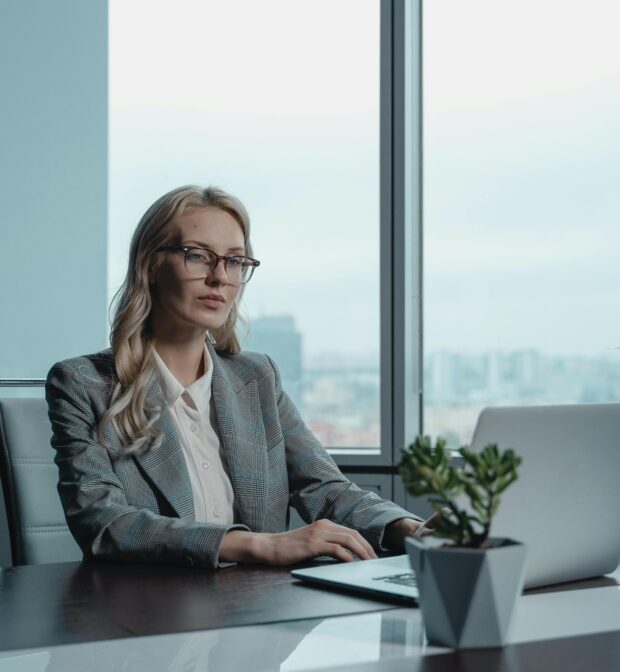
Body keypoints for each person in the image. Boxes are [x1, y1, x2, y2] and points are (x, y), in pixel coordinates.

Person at [46, 185, 424, 569]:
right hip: (147, 614)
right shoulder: (83, 384)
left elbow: (324, 489)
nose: (219, 277)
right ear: (151, 265)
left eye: (234, 261)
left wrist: (411, 530)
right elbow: (105, 523)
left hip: (259, 611)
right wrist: (259, 545)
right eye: (198, 256)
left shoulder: (257, 377)